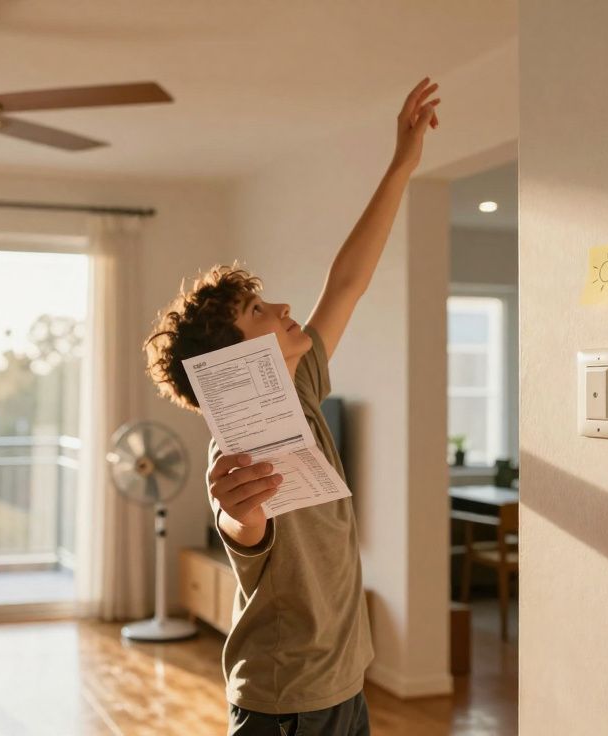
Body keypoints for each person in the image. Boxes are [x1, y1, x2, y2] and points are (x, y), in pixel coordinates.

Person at [143, 78, 440, 736]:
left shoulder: (300, 385)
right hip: (285, 709)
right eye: (259, 311)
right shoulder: (234, 451)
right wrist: (236, 511)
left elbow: (348, 282)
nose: (283, 310)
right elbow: (242, 526)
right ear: (233, 361)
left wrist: (403, 164)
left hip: (344, 688)